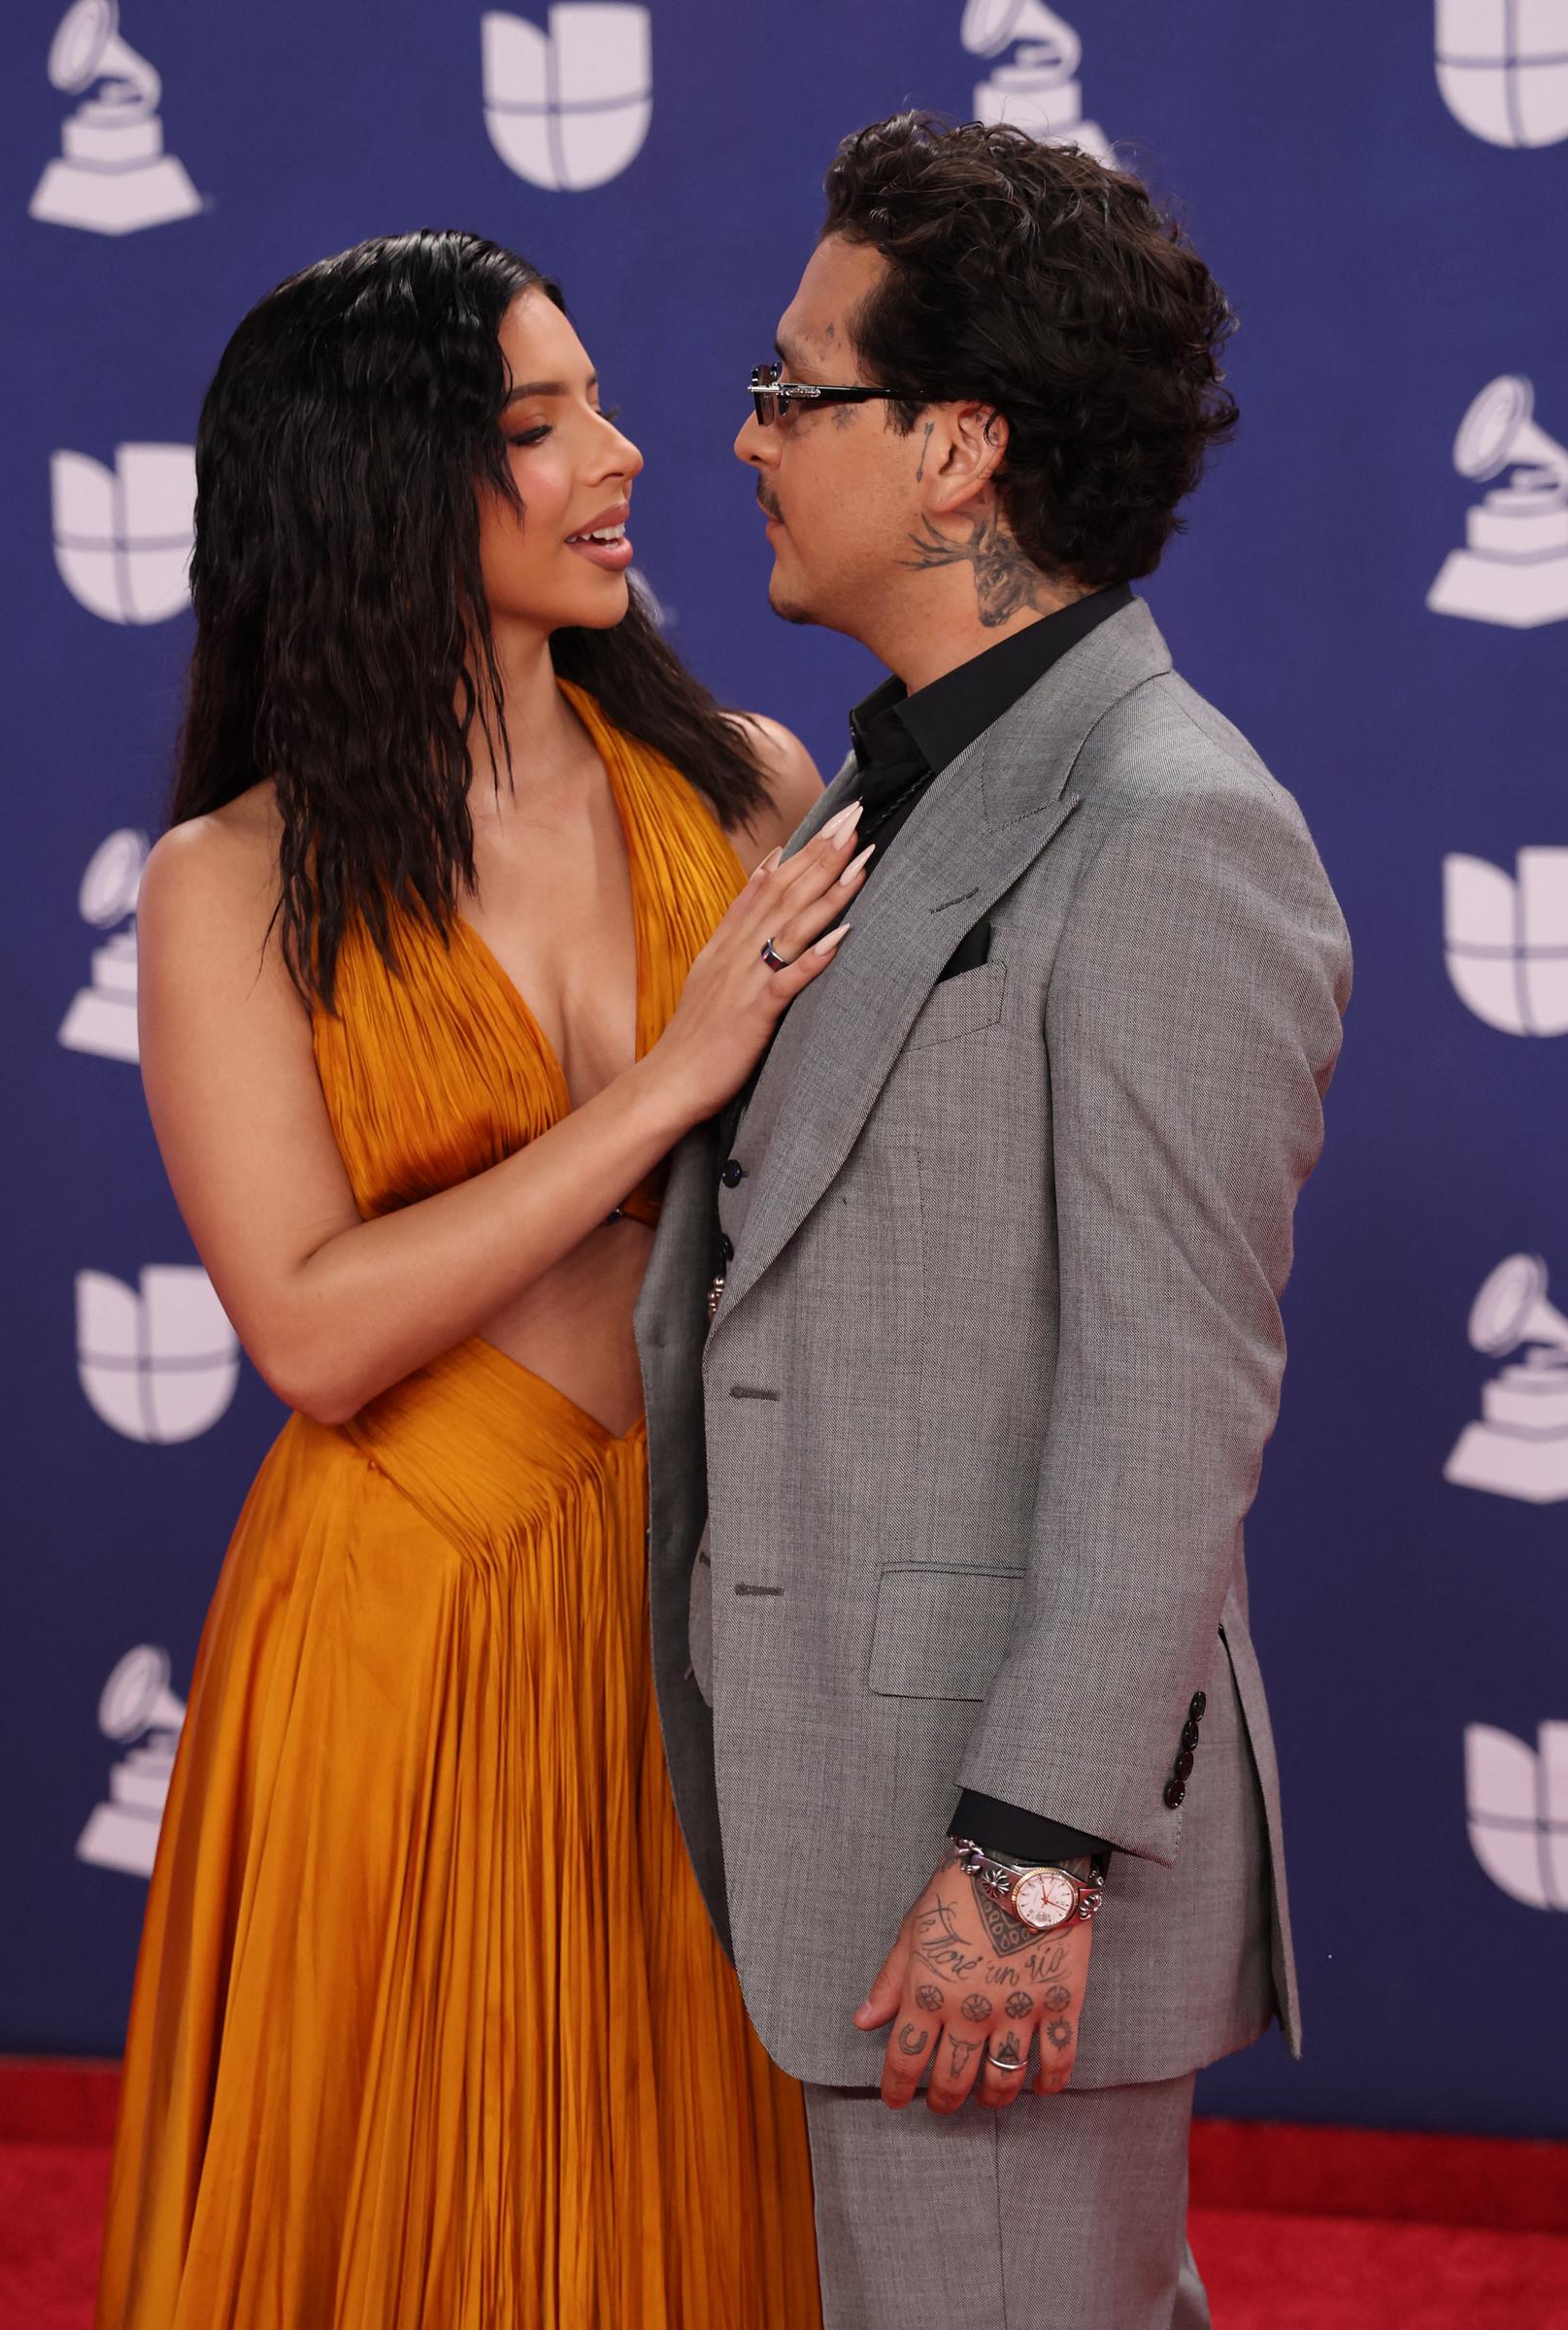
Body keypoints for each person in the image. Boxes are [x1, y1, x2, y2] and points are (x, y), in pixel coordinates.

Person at [635, 115, 1352, 2329]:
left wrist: (1026, 1867)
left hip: (985, 1872)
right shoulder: (905, 770)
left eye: (794, 390)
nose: (742, 436)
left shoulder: (1171, 833)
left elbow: (1169, 1404)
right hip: (836, 1823)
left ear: (953, 451)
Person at [93, 229, 850, 2330]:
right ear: (378, 490)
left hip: (708, 1607)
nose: (623, 455)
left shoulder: (753, 786)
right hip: (403, 1620)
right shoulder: (226, 884)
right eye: (538, 426)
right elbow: (316, 1330)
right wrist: (670, 1085)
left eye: (596, 401)